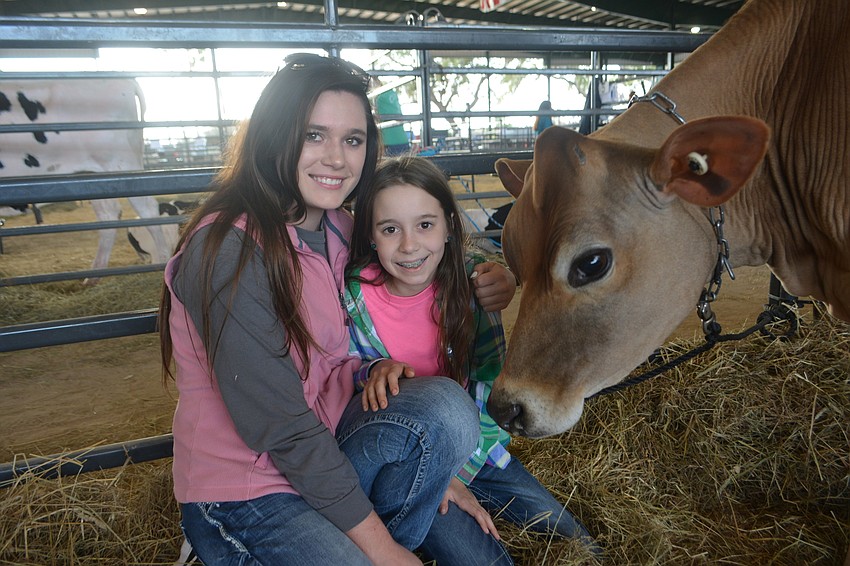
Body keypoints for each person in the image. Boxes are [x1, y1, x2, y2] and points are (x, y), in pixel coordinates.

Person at [159, 53, 517, 565]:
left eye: (353, 140)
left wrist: (489, 275)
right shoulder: (229, 250)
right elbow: (281, 429)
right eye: (313, 135)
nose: (337, 158)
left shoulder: (340, 230)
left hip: (333, 447)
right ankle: (215, 546)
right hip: (251, 487)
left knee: (446, 410)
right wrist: (384, 550)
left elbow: (423, 253)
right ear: (275, 134)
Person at [344, 155, 600, 565]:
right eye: (390, 229)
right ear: (371, 236)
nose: (409, 245)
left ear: (448, 225)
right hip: (409, 464)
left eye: (425, 225)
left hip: (480, 452)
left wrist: (456, 474)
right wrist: (372, 370)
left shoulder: (473, 285)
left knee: (577, 542)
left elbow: (488, 382)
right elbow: (347, 364)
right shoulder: (355, 294)